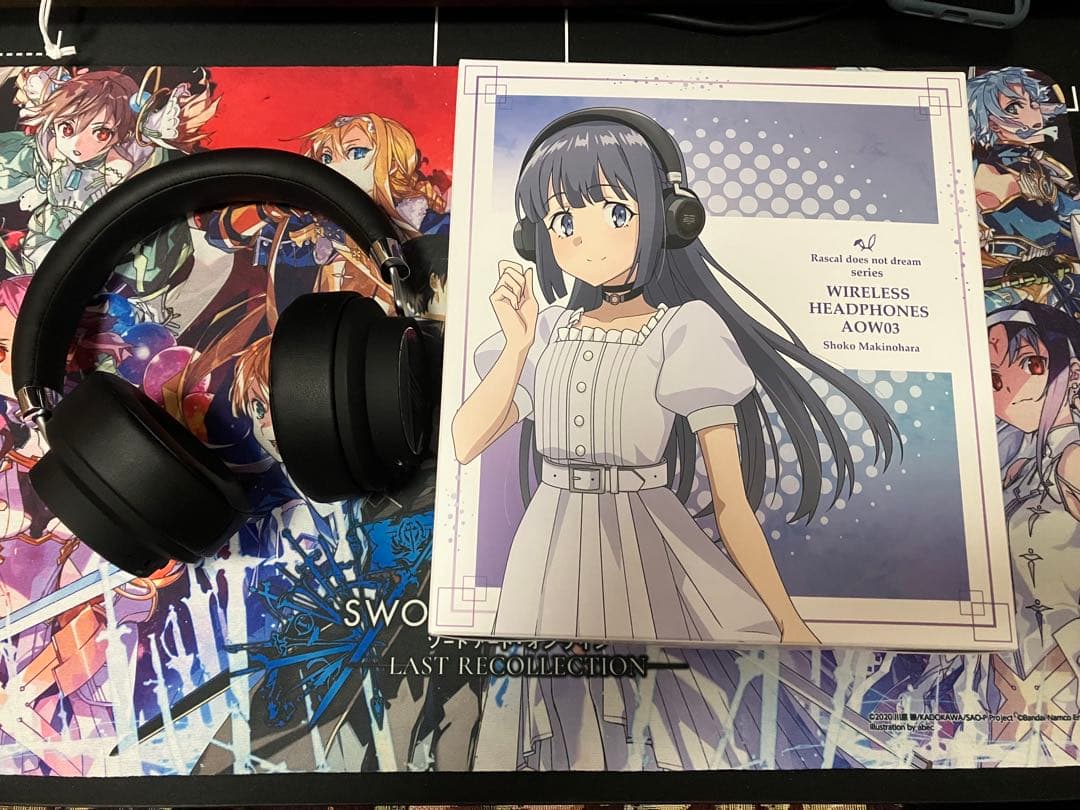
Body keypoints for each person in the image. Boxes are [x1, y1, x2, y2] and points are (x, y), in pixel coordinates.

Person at [453, 109, 897, 647]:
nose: (587, 241)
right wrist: (517, 344)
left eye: (616, 212)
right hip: (544, 548)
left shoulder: (685, 330)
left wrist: (788, 619)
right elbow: (465, 442)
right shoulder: (544, 331)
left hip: (643, 543)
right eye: (564, 222)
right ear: (537, 237)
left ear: (671, 217)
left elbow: (731, 503)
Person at [986, 301, 1080, 756]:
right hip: (1012, 681)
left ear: (1071, 370)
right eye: (993, 379)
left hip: (1060, 680)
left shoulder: (1071, 458)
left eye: (1029, 364)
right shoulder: (1018, 464)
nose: (1011, 388)